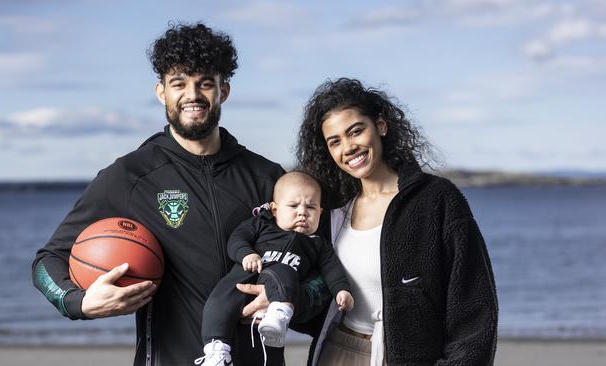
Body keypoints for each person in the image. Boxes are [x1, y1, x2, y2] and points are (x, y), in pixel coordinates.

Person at [31, 23, 328, 366]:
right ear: (161, 92)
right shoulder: (131, 175)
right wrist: (77, 302)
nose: (193, 94)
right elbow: (47, 260)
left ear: (224, 90)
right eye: (179, 83)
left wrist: (292, 299)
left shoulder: (269, 179)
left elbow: (321, 263)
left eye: (205, 83)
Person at [296, 78, 499, 365]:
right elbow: (314, 295)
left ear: (380, 126)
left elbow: (474, 307)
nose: (348, 148)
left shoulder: (436, 199)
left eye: (356, 131)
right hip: (336, 352)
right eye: (335, 141)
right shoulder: (333, 212)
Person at [196, 171, 354, 365]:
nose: (302, 212)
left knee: (284, 270)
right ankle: (216, 349)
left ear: (320, 212)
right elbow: (237, 238)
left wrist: (342, 290)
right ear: (275, 209)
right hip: (244, 278)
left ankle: (279, 315)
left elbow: (332, 269)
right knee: (220, 297)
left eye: (311, 207)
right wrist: (246, 253)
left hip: (281, 287)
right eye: (293, 206)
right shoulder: (261, 224)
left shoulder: (318, 244)